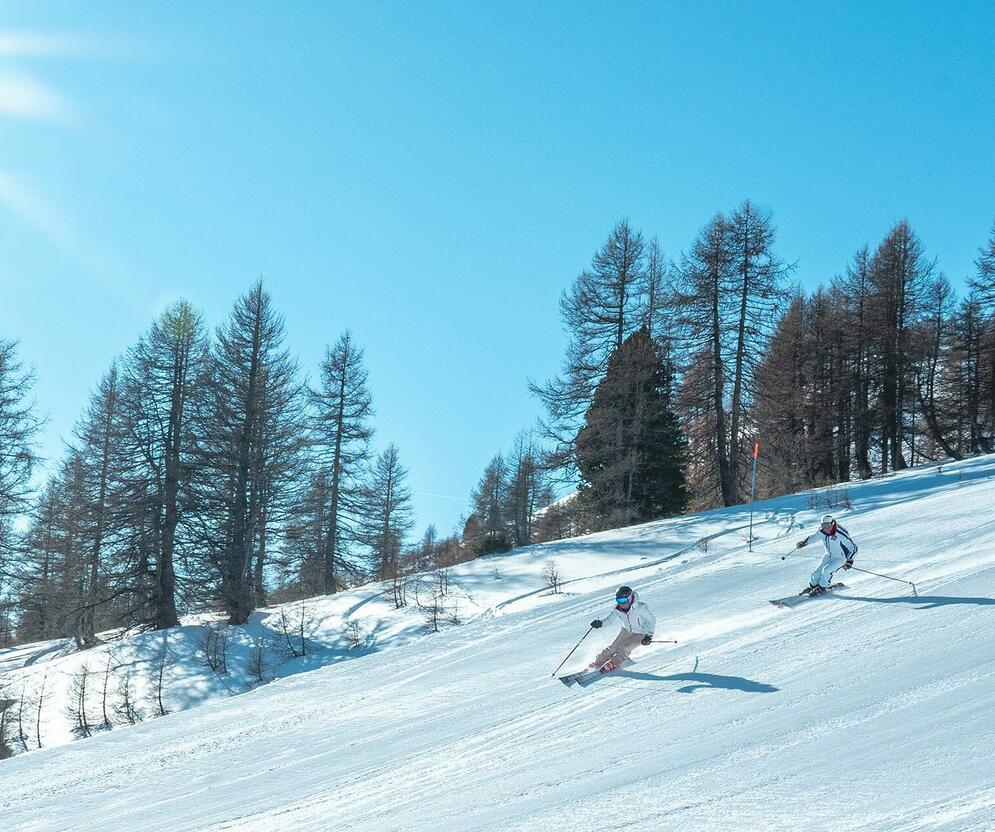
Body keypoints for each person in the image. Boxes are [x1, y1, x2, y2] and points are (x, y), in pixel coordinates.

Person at [588, 585, 656, 673]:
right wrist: (600, 623)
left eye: (623, 600)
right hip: (626, 630)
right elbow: (610, 620)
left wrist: (649, 636)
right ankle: (597, 663)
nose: (621, 603)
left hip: (641, 633)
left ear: (630, 598)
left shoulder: (641, 608)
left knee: (625, 648)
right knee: (613, 648)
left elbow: (651, 621)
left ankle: (614, 663)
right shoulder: (617, 609)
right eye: (619, 600)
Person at [795, 514, 858, 595]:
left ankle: (821, 588)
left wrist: (849, 560)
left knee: (826, 570)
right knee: (816, 572)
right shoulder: (822, 531)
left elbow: (853, 547)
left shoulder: (840, 533)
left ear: (832, 523)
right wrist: (805, 542)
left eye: (827, 525)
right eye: (823, 526)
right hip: (828, 555)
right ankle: (813, 587)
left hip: (840, 558)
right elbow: (814, 537)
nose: (825, 528)